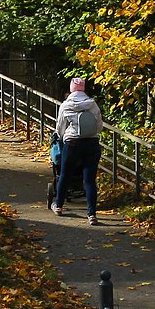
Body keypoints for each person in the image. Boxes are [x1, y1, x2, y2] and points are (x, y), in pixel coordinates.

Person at [51, 77, 102, 224]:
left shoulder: (66, 105)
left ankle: (59, 206)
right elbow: (99, 125)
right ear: (83, 88)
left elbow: (60, 128)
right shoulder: (92, 104)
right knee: (90, 180)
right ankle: (92, 214)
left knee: (65, 174)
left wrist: (62, 136)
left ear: (71, 89)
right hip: (92, 143)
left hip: (72, 144)